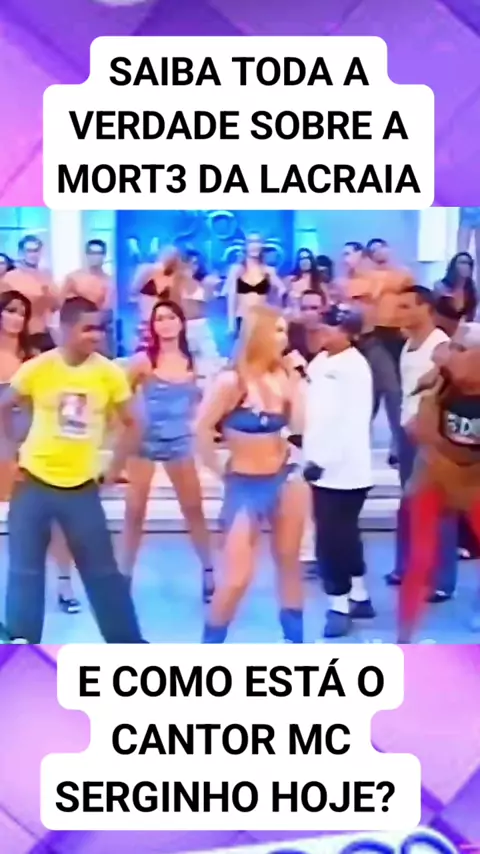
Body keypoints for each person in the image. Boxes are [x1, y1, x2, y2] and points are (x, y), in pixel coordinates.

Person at [0, 296, 145, 644]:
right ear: (65, 329)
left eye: (100, 329)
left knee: (103, 574)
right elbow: (4, 406)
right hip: (33, 482)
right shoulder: (39, 368)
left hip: (81, 488)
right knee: (25, 573)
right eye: (87, 329)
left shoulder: (109, 373)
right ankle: (21, 651)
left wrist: (115, 467)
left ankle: (128, 648)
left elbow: (134, 424)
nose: (96, 335)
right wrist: (9, 455)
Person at [195, 305, 306, 643]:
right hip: (244, 485)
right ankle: (209, 648)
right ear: (259, 334)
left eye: (286, 331)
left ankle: (295, 643)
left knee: (289, 562)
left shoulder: (282, 376)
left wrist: (297, 381)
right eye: (278, 330)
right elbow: (200, 428)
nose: (284, 338)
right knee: (237, 577)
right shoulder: (231, 381)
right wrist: (218, 469)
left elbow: (299, 426)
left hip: (285, 478)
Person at [120, 299, 215, 602]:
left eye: (171, 317)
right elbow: (119, 395)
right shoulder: (142, 361)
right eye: (159, 318)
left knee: (193, 508)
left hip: (179, 441)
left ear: (181, 322)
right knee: (134, 511)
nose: (165, 323)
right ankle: (124, 576)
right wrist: (128, 427)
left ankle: (209, 569)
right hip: (145, 441)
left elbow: (203, 402)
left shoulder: (194, 362)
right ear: (152, 325)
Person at [398, 323, 480, 642]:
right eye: (452, 347)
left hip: (473, 480)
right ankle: (405, 640)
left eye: (460, 349)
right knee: (420, 559)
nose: (450, 353)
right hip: (435, 476)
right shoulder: (439, 385)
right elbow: (425, 437)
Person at [0, 290, 81, 613]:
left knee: (54, 516)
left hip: (35, 440)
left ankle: (64, 583)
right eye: (10, 310)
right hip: (3, 442)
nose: (15, 318)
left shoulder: (35, 355)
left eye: (21, 313)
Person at [303, 304, 375, 639]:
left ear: (349, 333)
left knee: (332, 540)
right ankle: (359, 595)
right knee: (346, 535)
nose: (323, 331)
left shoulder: (353, 369)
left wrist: (321, 460)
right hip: (323, 463)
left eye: (331, 327)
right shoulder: (322, 360)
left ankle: (339, 605)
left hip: (342, 468)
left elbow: (347, 422)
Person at [385, 286, 457, 601]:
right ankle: (406, 567)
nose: (400, 313)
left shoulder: (440, 345)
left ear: (425, 308)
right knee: (408, 504)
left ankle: (442, 579)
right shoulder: (408, 344)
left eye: (406, 306)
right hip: (407, 435)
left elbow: (449, 390)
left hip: (431, 436)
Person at [2, 235, 59, 349]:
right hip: (22, 334)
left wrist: (48, 295)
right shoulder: (10, 278)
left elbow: (56, 305)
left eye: (36, 250)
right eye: (29, 251)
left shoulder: (46, 275)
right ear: (21, 253)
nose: (33, 254)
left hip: (46, 332)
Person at [61, 239, 116, 357]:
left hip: (99, 331)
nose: (95, 257)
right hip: (75, 333)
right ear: (87, 255)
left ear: (104, 256)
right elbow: (61, 307)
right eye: (92, 253)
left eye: (99, 253)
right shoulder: (73, 278)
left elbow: (108, 310)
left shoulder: (109, 281)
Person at [224, 234, 284, 336]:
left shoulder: (268, 270)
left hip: (262, 319)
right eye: (251, 242)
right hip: (242, 319)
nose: (254, 245)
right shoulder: (237, 270)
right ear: (246, 246)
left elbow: (282, 290)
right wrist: (231, 324)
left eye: (257, 242)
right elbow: (231, 296)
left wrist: (275, 310)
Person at [181, 250, 222, 386]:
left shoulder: (204, 283)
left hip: (200, 325)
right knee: (185, 360)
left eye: (196, 263)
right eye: (189, 262)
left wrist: (210, 286)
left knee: (210, 361)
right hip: (182, 326)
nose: (193, 266)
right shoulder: (174, 283)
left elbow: (208, 300)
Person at [433, 253, 477, 337]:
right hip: (440, 330)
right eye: (462, 263)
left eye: (469, 263)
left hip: (462, 332)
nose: (466, 266)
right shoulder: (440, 286)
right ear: (453, 266)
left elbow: (470, 316)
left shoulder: (471, 289)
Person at [284, 249, 328, 315]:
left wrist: (315, 313)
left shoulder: (319, 280)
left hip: (314, 317)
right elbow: (282, 303)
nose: (305, 261)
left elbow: (327, 305)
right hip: (294, 317)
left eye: (307, 258)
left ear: (311, 261)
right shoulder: (290, 280)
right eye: (301, 259)